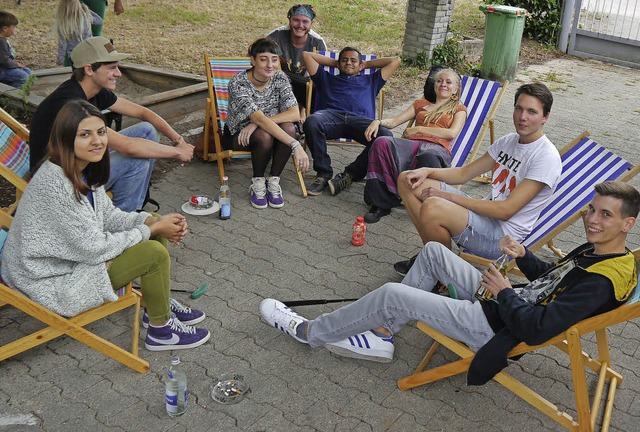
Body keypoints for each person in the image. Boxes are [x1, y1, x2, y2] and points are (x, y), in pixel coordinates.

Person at [260, 181, 640, 384]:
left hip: (496, 326)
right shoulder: (604, 252)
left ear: (628, 224)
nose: (593, 219)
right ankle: (381, 333)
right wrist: (525, 257)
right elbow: (555, 281)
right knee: (435, 254)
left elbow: (537, 330)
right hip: (504, 303)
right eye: (592, 210)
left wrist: (505, 293)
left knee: (394, 293)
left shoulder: (603, 282)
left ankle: (309, 332)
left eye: (605, 215)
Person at [1, 100, 210, 351]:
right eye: (85, 135)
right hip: (51, 279)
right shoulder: (57, 185)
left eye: (101, 132)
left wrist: (149, 221)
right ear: (66, 139)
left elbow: (108, 217)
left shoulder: (82, 170)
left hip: (72, 260)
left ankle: (157, 305)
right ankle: (161, 331)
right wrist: (151, 228)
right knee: (153, 252)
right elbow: (96, 249)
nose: (97, 141)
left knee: (153, 225)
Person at [394, 82, 562, 275]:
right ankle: (436, 257)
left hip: (501, 237)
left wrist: (447, 197)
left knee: (433, 206)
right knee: (408, 180)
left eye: (532, 112)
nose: (523, 117)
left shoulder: (545, 157)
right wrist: (426, 171)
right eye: (519, 109)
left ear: (545, 117)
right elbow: (464, 174)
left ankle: (440, 270)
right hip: (483, 217)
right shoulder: (508, 141)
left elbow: (505, 211)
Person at [29, 36, 194, 212]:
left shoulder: (92, 89)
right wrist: (178, 153)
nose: (118, 73)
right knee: (136, 162)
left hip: (79, 161)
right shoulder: (71, 104)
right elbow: (128, 147)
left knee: (147, 130)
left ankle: (138, 202)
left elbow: (143, 113)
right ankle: (122, 218)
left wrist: (178, 140)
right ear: (89, 69)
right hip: (62, 181)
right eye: (112, 68)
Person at [363, 68, 467, 223]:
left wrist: (418, 129)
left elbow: (452, 133)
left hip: (436, 148)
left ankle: (424, 205)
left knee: (427, 157)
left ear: (456, 89)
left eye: (448, 82)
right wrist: (378, 121)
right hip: (412, 145)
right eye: (439, 81)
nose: (443, 84)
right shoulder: (421, 103)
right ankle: (381, 203)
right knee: (381, 143)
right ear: (434, 85)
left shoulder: (458, 108)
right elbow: (394, 122)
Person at [301, 48, 401, 196]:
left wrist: (365, 64)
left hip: (361, 122)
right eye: (344, 60)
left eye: (353, 60)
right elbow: (306, 55)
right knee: (312, 121)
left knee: (385, 136)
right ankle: (323, 174)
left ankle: (350, 175)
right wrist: (336, 63)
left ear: (360, 65)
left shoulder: (372, 80)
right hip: (331, 118)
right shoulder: (325, 77)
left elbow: (395, 60)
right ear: (338, 63)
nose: (348, 62)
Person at [224, 38, 309, 209]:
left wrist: (255, 123)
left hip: (266, 129)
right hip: (240, 135)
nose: (270, 65)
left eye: (274, 59)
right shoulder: (238, 83)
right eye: (263, 59)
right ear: (253, 60)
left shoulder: (280, 78)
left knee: (289, 128)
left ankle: (274, 180)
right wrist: (296, 146)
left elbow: (293, 113)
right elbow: (259, 118)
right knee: (265, 135)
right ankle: (258, 182)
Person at [267, 4, 327, 116]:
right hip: (277, 83)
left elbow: (320, 74)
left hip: (305, 84)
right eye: (296, 20)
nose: (300, 25)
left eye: (305, 22)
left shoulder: (318, 42)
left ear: (311, 24)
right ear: (289, 20)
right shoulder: (275, 36)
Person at [55, 0, 103, 67]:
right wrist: (87, 10)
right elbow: (99, 21)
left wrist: (60, 59)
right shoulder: (85, 17)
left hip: (74, 55)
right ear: (78, 6)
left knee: (77, 72)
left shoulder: (63, 25)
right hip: (89, 50)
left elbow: (62, 44)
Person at [0, 11, 32, 88]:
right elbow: (4, 61)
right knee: (23, 76)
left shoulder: (3, 40)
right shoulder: (1, 42)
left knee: (28, 71)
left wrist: (14, 62)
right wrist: (16, 64)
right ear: (5, 28)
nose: (14, 30)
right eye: (13, 27)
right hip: (1, 71)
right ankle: (12, 95)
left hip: (3, 68)